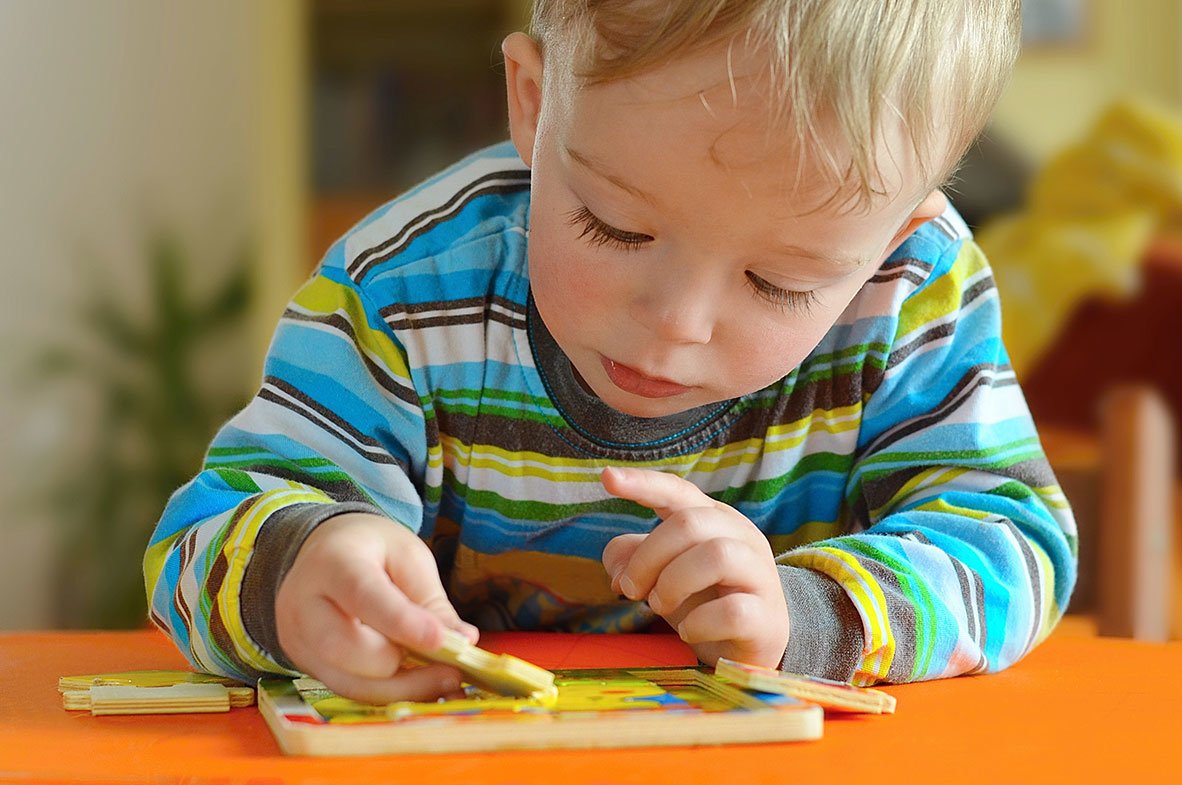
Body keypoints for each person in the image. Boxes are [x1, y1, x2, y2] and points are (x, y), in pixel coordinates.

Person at [145, 0, 1077, 704]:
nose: (677, 324)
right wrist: (294, 566)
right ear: (534, 102)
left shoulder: (911, 290)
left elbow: (1016, 544)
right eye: (616, 227)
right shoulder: (402, 290)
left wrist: (813, 613)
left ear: (890, 238)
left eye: (780, 283)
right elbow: (194, 543)